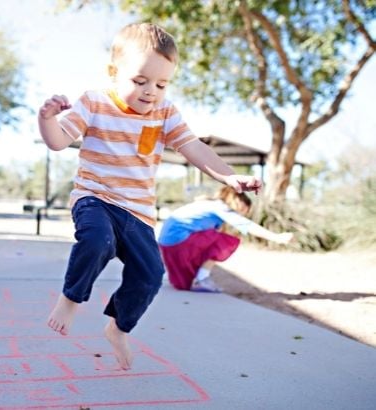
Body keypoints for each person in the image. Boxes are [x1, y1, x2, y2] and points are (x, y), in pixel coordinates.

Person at [38, 22, 262, 370]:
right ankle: (71, 297)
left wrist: (231, 177)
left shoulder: (164, 112)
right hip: (95, 198)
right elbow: (57, 140)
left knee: (151, 274)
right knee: (96, 240)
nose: (150, 92)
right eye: (140, 81)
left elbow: (194, 148)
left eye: (161, 84)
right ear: (114, 73)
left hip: (138, 213)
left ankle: (118, 326)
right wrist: (47, 118)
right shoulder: (94, 102)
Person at [158, 186, 294, 293]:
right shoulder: (220, 207)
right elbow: (246, 225)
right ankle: (202, 279)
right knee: (226, 241)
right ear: (236, 201)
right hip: (179, 242)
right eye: (242, 210)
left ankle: (197, 277)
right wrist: (276, 237)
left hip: (167, 245)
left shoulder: (208, 204)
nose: (239, 215)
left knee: (183, 285)